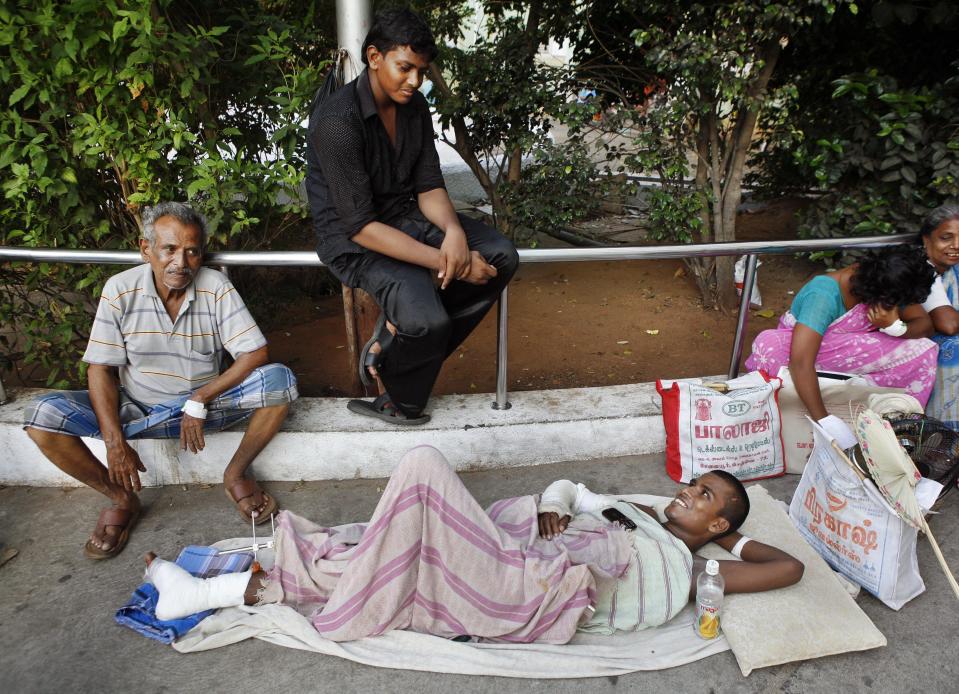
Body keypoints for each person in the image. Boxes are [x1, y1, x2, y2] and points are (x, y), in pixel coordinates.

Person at [142, 446, 803, 643]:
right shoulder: (638, 509)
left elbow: (788, 566)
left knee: (422, 472)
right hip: (518, 550)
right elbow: (569, 485)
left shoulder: (689, 570)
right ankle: (206, 591)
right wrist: (550, 503)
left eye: (705, 497)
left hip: (530, 590)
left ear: (717, 525)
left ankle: (205, 591)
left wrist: (723, 538)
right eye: (693, 485)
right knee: (397, 550)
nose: (688, 493)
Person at [23, 202, 299, 560]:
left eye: (192, 252)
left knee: (279, 381)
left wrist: (200, 397)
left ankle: (235, 474)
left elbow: (255, 354)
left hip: (202, 410)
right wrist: (114, 442)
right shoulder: (120, 289)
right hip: (135, 408)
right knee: (41, 416)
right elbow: (100, 369)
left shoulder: (214, 286)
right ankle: (121, 498)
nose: (180, 263)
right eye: (169, 249)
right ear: (146, 249)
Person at [305, 9, 519, 426]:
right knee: (429, 321)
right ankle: (398, 396)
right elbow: (361, 226)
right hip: (355, 242)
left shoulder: (414, 106)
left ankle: (396, 338)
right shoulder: (337, 121)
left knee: (501, 256)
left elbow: (427, 184)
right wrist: (450, 264)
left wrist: (454, 233)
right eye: (405, 68)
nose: (415, 81)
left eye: (421, 71)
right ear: (374, 57)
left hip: (405, 217)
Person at [745, 246, 938, 448]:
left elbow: (924, 324)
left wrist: (894, 326)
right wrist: (826, 424)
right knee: (770, 345)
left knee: (923, 350)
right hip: (806, 355)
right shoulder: (823, 294)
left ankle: (899, 429)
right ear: (879, 294)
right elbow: (801, 362)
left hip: (847, 352)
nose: (899, 306)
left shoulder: (889, 280)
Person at [917, 204, 959, 428]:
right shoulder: (922, 270)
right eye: (946, 238)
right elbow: (948, 324)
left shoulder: (953, 270)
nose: (956, 246)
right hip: (912, 350)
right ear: (926, 240)